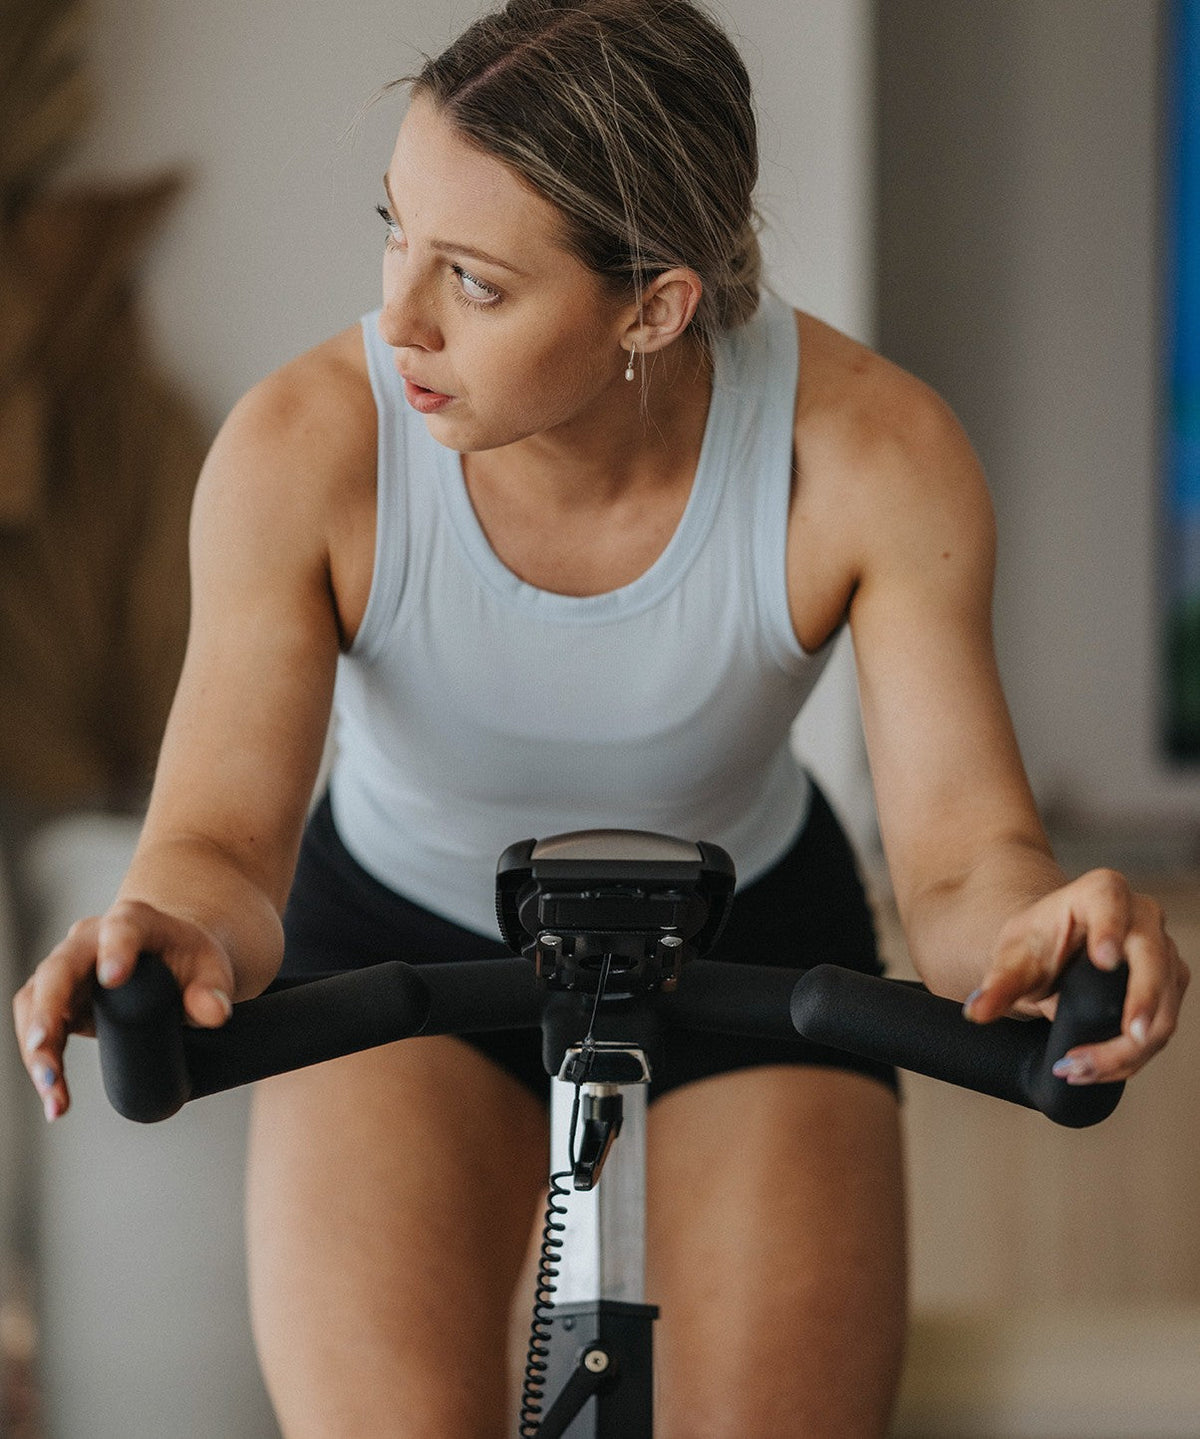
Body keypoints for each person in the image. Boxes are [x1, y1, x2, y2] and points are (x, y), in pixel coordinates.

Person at [12, 1, 1189, 1434]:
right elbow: (217, 841)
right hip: (396, 941)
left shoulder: (869, 455)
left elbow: (960, 869)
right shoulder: (305, 448)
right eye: (395, 229)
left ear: (655, 306)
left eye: (477, 284)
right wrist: (175, 925)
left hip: (750, 943)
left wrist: (1040, 928)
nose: (396, 320)